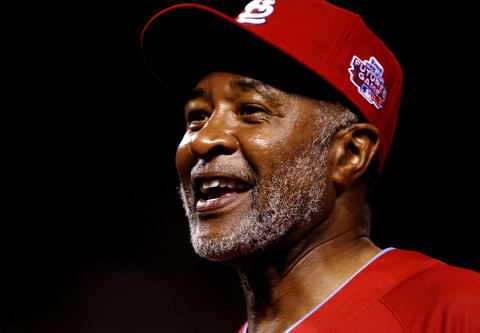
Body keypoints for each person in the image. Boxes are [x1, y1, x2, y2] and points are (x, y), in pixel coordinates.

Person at [141, 0, 480, 332]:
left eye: (251, 111)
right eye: (198, 116)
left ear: (350, 154)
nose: (202, 141)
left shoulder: (457, 310)